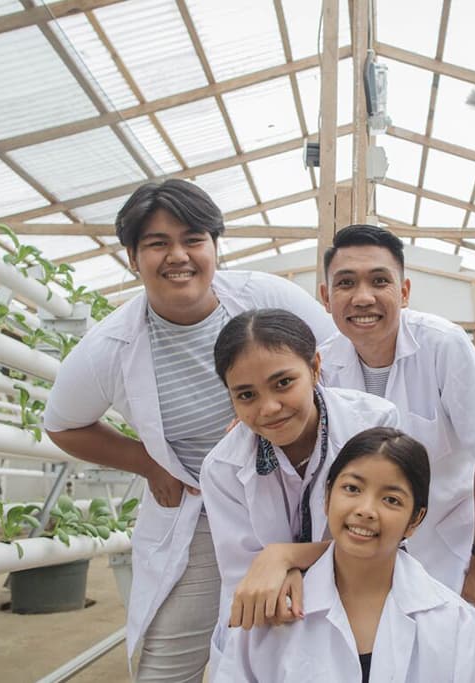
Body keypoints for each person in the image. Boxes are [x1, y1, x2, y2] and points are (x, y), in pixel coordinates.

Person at [42, 179, 336, 681]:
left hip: (306, 491)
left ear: (214, 247)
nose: (178, 255)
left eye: (193, 239)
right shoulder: (111, 346)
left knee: (306, 643)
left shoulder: (265, 296)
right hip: (202, 510)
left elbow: (335, 361)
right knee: (166, 664)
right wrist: (146, 461)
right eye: (157, 244)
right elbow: (62, 425)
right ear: (133, 258)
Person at [320, 224, 475, 681]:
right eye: (346, 283)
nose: (363, 297)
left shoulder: (443, 345)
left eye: (380, 281)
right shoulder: (323, 363)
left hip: (457, 538)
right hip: (370, 544)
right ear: (326, 296)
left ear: (404, 290)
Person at [213, 427, 475, 682]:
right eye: (352, 488)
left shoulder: (454, 621)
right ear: (327, 496)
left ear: (415, 521)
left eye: (391, 500)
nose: (366, 509)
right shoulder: (272, 612)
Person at [200, 308, 399, 656]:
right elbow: (251, 582)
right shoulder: (223, 467)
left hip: (363, 610)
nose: (269, 407)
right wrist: (279, 567)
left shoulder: (374, 426)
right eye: (246, 395)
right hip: (271, 631)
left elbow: (387, 542)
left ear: (315, 367)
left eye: (283, 383)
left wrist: (284, 556)